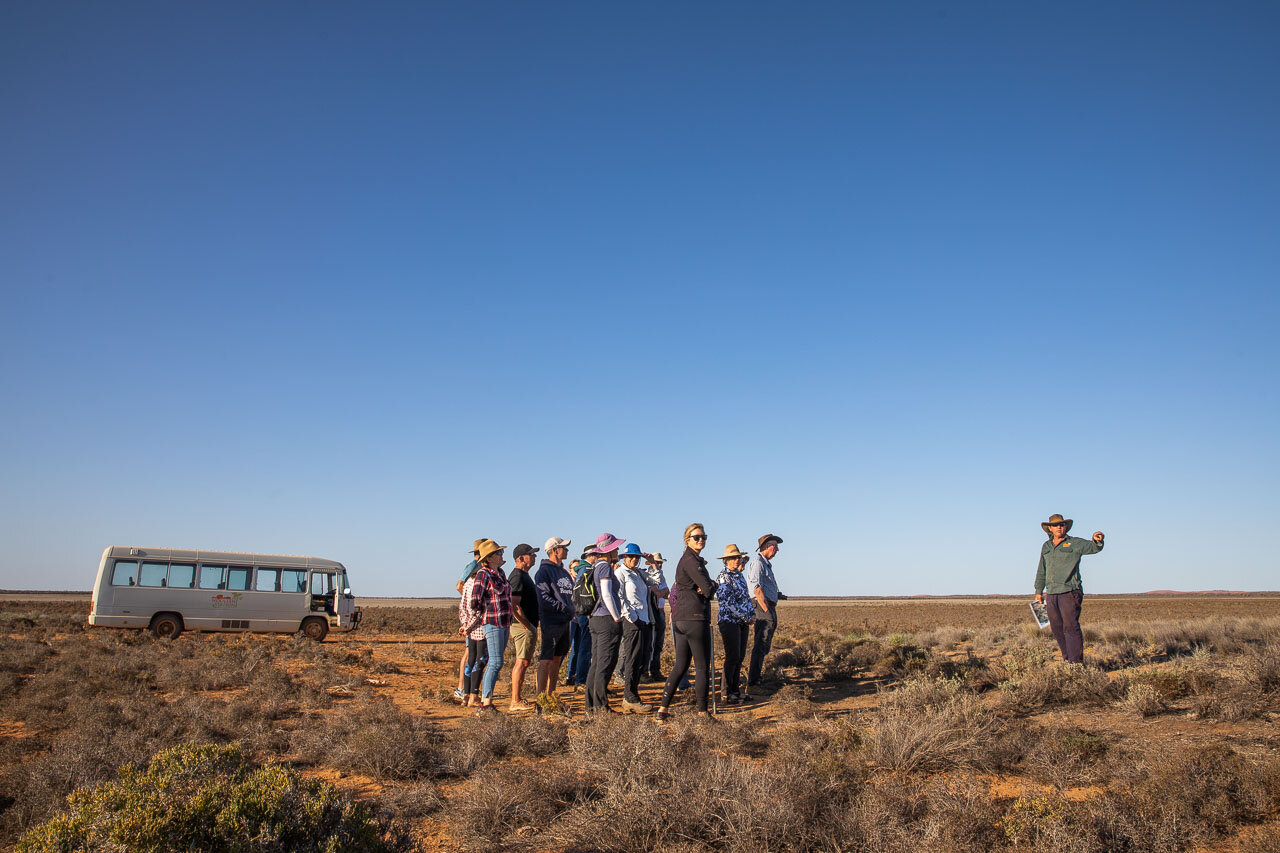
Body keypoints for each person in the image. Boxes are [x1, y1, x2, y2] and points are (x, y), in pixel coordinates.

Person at [657, 523, 718, 722]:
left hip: (681, 619)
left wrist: (706, 587)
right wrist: (711, 585)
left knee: (680, 665)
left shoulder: (689, 560)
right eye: (696, 537)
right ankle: (702, 712)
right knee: (701, 666)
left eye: (703, 536)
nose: (701, 540)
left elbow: (704, 588)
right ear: (687, 539)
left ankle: (662, 710)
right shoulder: (692, 561)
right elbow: (708, 590)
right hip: (694, 618)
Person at [1035, 514, 1105, 664]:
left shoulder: (1074, 543)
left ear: (1065, 527)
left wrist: (1097, 540)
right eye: (1055, 525)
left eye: (1061, 524)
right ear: (1050, 528)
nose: (1059, 527)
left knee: (1071, 627)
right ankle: (1068, 660)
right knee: (1056, 628)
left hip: (1069, 592)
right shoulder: (1046, 547)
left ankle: (1076, 664)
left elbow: (1093, 547)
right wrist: (1038, 592)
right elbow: (1042, 569)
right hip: (1052, 593)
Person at [465, 539, 513, 714]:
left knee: (497, 662)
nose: (501, 556)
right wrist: (487, 611)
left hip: (505, 622)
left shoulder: (500, 573)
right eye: (499, 553)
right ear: (490, 557)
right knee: (495, 662)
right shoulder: (483, 574)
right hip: (492, 623)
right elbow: (474, 601)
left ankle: (486, 702)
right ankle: (485, 704)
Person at [584, 532, 626, 714]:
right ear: (608, 551)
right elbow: (607, 594)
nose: (617, 550)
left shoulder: (596, 567)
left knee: (597, 663)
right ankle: (601, 706)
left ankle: (591, 705)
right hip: (606, 620)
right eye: (615, 548)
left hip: (595, 619)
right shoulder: (605, 568)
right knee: (605, 662)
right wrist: (616, 616)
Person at [534, 537, 574, 701]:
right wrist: (563, 608)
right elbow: (543, 597)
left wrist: (570, 610)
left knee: (558, 658)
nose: (566, 550)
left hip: (565, 621)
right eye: (563, 548)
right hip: (551, 621)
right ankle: (540, 697)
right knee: (546, 659)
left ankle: (551, 694)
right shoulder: (544, 572)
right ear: (554, 550)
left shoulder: (563, 572)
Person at [714, 544, 755, 705]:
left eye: (739, 557)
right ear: (727, 560)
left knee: (739, 657)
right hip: (729, 621)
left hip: (742, 622)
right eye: (735, 558)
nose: (738, 560)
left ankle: (735, 690)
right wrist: (745, 616)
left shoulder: (739, 576)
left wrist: (751, 614)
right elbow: (727, 602)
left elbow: (745, 598)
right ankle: (726, 692)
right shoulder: (723, 577)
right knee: (732, 657)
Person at [615, 543, 653, 713]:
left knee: (641, 659)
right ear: (624, 557)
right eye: (630, 556)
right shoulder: (620, 573)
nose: (633, 559)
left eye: (636, 557)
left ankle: (633, 695)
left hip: (644, 619)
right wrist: (631, 616)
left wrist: (652, 563)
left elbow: (657, 582)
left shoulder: (639, 573)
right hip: (632, 621)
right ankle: (629, 697)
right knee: (632, 658)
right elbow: (619, 595)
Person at [745, 533, 784, 689]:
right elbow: (756, 588)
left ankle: (756, 677)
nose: (777, 550)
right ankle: (753, 680)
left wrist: (777, 595)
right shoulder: (758, 563)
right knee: (761, 642)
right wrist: (766, 609)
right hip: (762, 607)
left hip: (766, 605)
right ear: (769, 547)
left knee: (764, 643)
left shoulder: (765, 563)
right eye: (776, 546)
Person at [506, 543, 540, 712]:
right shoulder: (517, 576)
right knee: (522, 661)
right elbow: (514, 604)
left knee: (524, 661)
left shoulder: (523, 575)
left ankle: (516, 699)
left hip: (526, 625)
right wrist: (527, 625)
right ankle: (515, 700)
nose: (534, 557)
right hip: (522, 627)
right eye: (531, 554)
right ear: (520, 558)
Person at [454, 540, 485, 701]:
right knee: (470, 654)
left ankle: (466, 689)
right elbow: (460, 585)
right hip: (474, 620)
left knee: (471, 654)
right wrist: (472, 601)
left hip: (470, 618)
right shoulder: (473, 566)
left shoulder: (477, 566)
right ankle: (462, 687)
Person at [457, 571, 488, 707]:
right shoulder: (480, 581)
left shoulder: (469, 581)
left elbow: (463, 606)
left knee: (472, 660)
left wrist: (465, 624)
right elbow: (478, 609)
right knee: (480, 661)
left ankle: (466, 695)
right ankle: (473, 695)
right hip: (480, 627)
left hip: (470, 627)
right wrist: (468, 626)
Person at [565, 549, 594, 689]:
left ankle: (578, 676)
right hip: (581, 614)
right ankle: (579, 678)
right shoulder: (586, 570)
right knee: (582, 647)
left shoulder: (584, 570)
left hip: (580, 615)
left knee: (580, 647)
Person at [642, 552, 669, 681]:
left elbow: (666, 592)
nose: (659, 564)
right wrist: (660, 592)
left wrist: (660, 592)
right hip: (651, 612)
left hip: (661, 612)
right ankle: (646, 671)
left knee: (658, 644)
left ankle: (655, 670)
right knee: (650, 644)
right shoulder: (646, 575)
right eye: (657, 562)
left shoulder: (661, 576)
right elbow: (659, 592)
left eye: (660, 562)